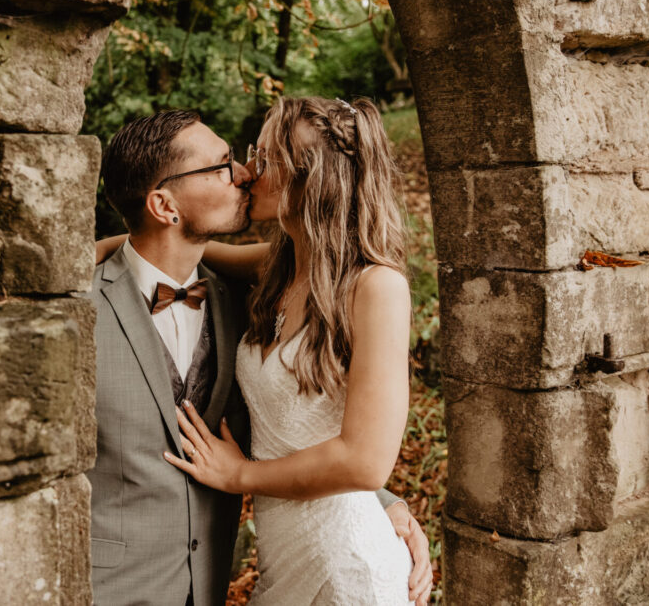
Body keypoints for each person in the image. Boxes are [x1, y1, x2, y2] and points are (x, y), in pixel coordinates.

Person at [89, 107, 431, 606]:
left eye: (260, 158)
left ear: (308, 180)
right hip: (119, 586)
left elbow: (354, 453)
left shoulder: (345, 287)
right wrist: (89, 252)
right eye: (226, 164)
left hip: (336, 563)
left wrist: (384, 503)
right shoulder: (273, 273)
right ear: (164, 205)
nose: (247, 173)